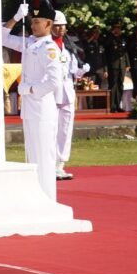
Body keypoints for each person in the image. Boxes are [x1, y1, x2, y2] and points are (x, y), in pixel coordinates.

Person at [2, 3, 62, 201]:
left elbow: (54, 81)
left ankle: (48, 199)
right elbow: (1, 37)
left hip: (42, 105)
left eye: (38, 22)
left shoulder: (49, 48)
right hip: (29, 107)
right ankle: (38, 198)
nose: (34, 26)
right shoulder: (30, 43)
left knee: (44, 156)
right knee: (33, 155)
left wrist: (30, 89)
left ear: (48, 24)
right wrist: (16, 17)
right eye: (32, 21)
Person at [51, 12, 89, 180]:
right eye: (57, 25)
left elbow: (73, 71)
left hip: (67, 93)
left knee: (66, 130)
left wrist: (82, 70)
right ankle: (49, 164)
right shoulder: (45, 45)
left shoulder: (68, 48)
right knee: (51, 129)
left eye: (63, 25)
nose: (61, 29)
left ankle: (61, 164)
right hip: (51, 94)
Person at [104, 22, 130, 112]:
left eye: (119, 28)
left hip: (121, 65)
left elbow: (125, 51)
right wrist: (112, 35)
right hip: (113, 65)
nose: (118, 30)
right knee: (113, 85)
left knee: (120, 85)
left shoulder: (122, 38)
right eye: (116, 28)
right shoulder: (109, 38)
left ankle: (118, 105)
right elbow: (106, 46)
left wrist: (127, 63)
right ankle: (112, 106)